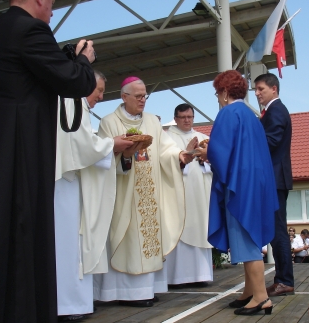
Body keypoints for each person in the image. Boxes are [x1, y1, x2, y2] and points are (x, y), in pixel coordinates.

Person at [0, 0, 97, 320]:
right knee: (21, 240)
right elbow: (75, 82)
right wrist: (84, 59)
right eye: (53, 2)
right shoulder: (29, 30)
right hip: (18, 156)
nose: (53, 12)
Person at [93, 77, 195, 307]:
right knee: (127, 240)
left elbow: (165, 150)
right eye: (138, 96)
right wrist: (125, 157)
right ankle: (120, 292)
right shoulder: (109, 122)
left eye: (145, 95)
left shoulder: (152, 121)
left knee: (148, 240)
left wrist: (179, 156)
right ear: (124, 97)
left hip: (150, 192)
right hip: (124, 193)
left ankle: (146, 289)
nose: (142, 100)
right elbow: (103, 160)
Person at [196, 70, 278, 316]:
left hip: (239, 184)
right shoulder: (251, 115)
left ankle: (262, 297)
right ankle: (250, 292)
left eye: (217, 93)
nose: (217, 97)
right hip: (257, 182)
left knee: (245, 237)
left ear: (223, 92)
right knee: (250, 235)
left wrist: (205, 154)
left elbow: (222, 154)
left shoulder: (227, 113)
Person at [54, 71, 133, 322]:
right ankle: (68, 304)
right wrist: (112, 144)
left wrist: (114, 148)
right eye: (98, 90)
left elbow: (85, 146)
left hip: (73, 184)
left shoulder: (79, 106)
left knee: (77, 244)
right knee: (70, 246)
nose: (101, 96)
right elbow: (82, 147)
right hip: (65, 187)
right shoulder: (71, 103)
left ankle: (78, 301)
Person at [254, 73, 294, 297]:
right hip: (274, 178)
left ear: (274, 89)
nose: (257, 93)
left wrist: (247, 146)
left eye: (260, 89)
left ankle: (285, 280)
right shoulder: (272, 111)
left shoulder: (277, 110)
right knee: (275, 231)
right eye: (256, 90)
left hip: (275, 179)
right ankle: (281, 279)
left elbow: (270, 142)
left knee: (278, 232)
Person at [165, 104, 213, 287]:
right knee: (179, 227)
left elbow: (214, 165)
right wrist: (183, 156)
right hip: (178, 193)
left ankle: (201, 275)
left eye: (190, 117)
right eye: (183, 117)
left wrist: (205, 160)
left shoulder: (204, 138)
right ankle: (177, 277)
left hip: (199, 194)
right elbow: (165, 162)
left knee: (200, 227)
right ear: (175, 118)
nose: (186, 120)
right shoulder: (167, 138)